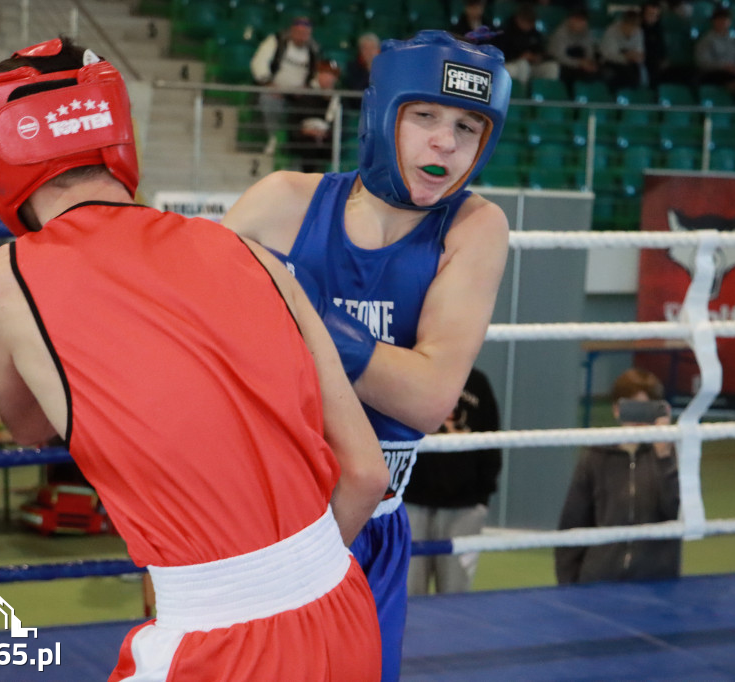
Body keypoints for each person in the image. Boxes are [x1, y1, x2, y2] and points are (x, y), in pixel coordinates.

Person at [0, 37, 388, 680]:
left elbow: (30, 426)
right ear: (117, 133)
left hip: (216, 645)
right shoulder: (251, 254)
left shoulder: (4, 280)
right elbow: (366, 474)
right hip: (345, 608)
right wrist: (289, 579)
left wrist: (240, 597)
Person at [222, 30, 511, 682]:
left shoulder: (474, 227)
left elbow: (431, 396)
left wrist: (301, 318)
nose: (446, 141)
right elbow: (178, 325)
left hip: (369, 532)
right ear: (383, 113)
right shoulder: (282, 201)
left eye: (469, 126)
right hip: (249, 523)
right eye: (426, 116)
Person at [555, 368, 681, 585]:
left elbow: (674, 513)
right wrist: (569, 587)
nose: (638, 419)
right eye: (631, 408)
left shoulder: (669, 457)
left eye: (645, 409)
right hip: (599, 581)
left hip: (657, 584)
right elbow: (572, 524)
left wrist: (663, 458)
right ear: (616, 410)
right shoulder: (594, 457)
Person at [404, 367, 502, 595]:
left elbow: (491, 440)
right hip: (411, 500)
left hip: (464, 505)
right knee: (408, 593)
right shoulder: (410, 373)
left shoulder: (477, 382)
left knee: (455, 596)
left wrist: (481, 498)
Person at [250, 15, 321, 155]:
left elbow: (317, 73)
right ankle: (273, 138)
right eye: (299, 33)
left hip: (300, 94)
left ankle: (295, 147)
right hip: (275, 89)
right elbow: (258, 63)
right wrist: (268, 83)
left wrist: (307, 88)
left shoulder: (314, 49)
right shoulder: (276, 41)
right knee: (268, 100)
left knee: (311, 106)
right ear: (292, 31)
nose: (302, 37)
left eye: (305, 34)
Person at [286, 59, 342, 172]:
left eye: (331, 74)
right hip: (305, 138)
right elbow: (293, 120)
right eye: (324, 73)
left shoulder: (338, 99)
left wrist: (326, 132)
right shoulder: (305, 95)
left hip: (328, 139)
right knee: (309, 145)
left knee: (328, 146)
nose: (327, 78)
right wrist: (305, 131)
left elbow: (342, 124)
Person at [490, 3, 561, 88]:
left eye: (531, 22)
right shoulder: (505, 32)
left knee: (552, 67)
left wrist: (536, 57)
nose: (529, 26)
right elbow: (501, 55)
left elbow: (541, 51)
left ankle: (547, 95)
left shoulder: (534, 33)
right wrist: (520, 57)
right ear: (518, 19)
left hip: (532, 67)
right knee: (523, 65)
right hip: (511, 66)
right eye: (527, 22)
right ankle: (522, 93)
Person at [694, 7, 735, 95]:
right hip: (715, 73)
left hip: (734, 74)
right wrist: (724, 66)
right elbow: (702, 62)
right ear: (714, 21)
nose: (723, 23)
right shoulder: (706, 40)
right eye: (720, 20)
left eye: (725, 20)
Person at [547, 7, 600, 92]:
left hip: (579, 63)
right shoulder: (560, 33)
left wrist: (589, 62)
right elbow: (560, 57)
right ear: (571, 20)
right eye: (579, 20)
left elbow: (589, 50)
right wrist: (579, 63)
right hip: (562, 64)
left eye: (584, 21)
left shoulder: (586, 32)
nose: (582, 24)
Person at [599, 10, 646, 91]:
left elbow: (639, 51)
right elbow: (608, 55)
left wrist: (637, 56)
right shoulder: (612, 31)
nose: (633, 30)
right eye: (630, 26)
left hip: (631, 63)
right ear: (624, 23)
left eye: (635, 26)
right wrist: (626, 57)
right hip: (611, 63)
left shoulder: (639, 31)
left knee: (639, 72)